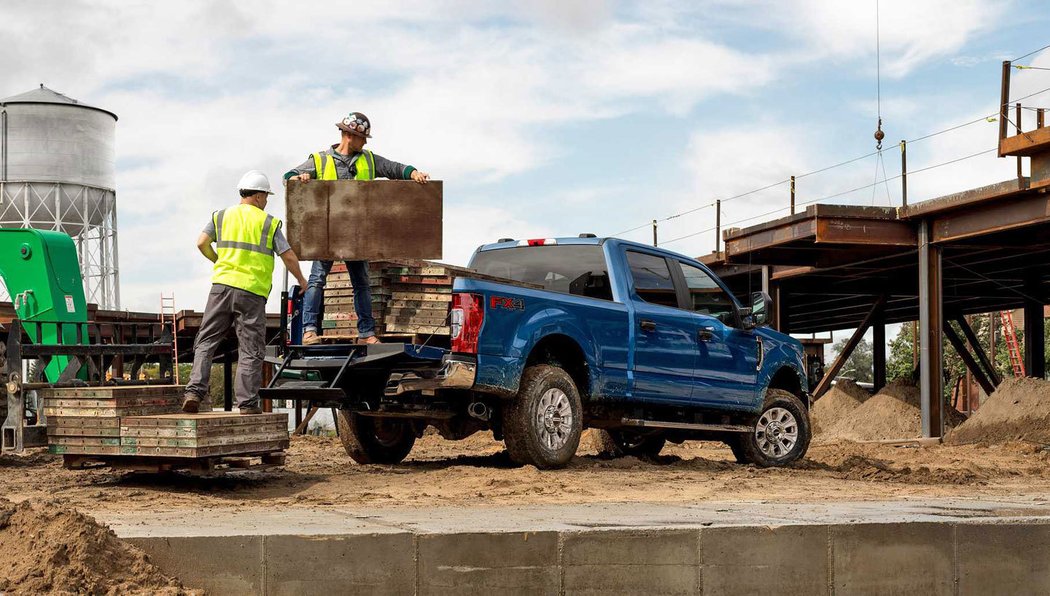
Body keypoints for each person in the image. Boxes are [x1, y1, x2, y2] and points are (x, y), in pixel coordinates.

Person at [285, 111, 430, 345]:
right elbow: (289, 176)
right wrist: (297, 179)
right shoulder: (320, 160)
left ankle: (366, 334)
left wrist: (413, 173)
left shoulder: (369, 160)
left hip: (357, 234)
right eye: (363, 138)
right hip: (328, 232)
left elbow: (393, 168)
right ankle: (310, 330)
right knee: (317, 280)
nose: (365, 142)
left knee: (361, 283)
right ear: (350, 136)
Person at [182, 170, 308, 415]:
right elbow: (288, 256)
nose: (266, 201)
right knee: (250, 348)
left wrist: (218, 260)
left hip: (221, 287)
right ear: (259, 196)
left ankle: (194, 392)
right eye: (266, 197)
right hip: (251, 291)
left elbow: (201, 243)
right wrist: (302, 281)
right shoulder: (268, 222)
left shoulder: (221, 216)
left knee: (206, 341)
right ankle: (247, 404)